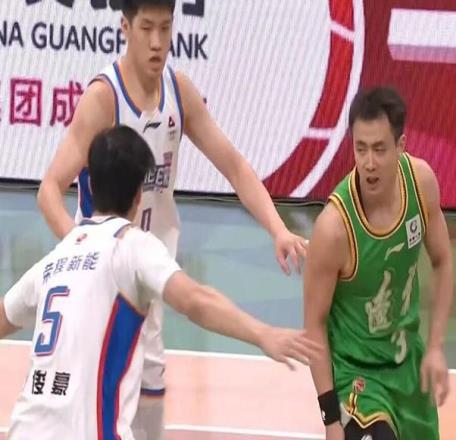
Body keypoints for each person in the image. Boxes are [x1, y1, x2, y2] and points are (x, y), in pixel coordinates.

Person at [37, 0, 307, 437]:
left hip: (152, 271)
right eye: (147, 28)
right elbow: (49, 190)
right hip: (103, 279)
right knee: (95, 405)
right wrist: (86, 256)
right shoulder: (104, 99)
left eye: (165, 28)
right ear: (125, 27)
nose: (157, 41)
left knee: (149, 401)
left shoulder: (179, 92)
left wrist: (278, 229)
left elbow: (235, 166)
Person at [0, 126, 319, 440]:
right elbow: (195, 300)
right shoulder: (131, 246)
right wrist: (263, 334)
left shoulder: (56, 258)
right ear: (140, 195)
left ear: (91, 186)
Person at [303, 86, 454, 440]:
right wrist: (330, 419)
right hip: (358, 378)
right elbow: (314, 324)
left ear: (400, 146)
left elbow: (443, 261)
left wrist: (435, 346)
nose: (369, 162)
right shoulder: (334, 229)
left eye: (379, 149)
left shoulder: (421, 184)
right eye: (361, 148)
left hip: (409, 369)